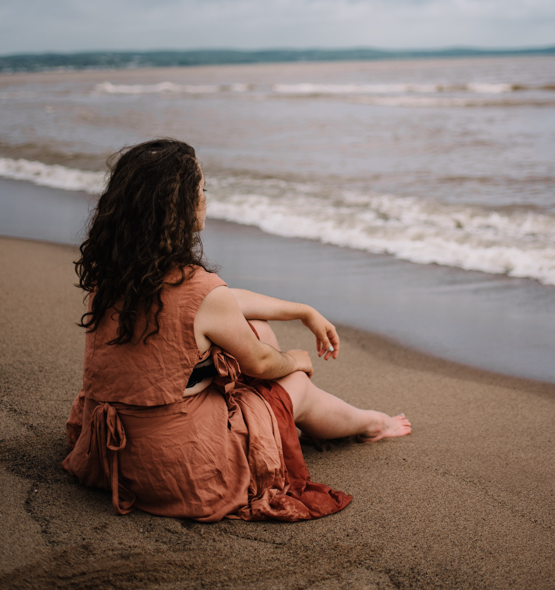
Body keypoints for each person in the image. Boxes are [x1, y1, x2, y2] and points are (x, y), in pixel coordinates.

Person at [63, 138, 410, 522]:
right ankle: (372, 423)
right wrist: (296, 360)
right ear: (177, 207)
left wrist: (302, 311)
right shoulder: (195, 289)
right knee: (295, 385)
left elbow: (224, 299)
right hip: (172, 465)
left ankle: (292, 415)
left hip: (109, 451)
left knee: (256, 328)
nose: (205, 199)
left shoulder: (114, 276)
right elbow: (260, 361)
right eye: (201, 189)